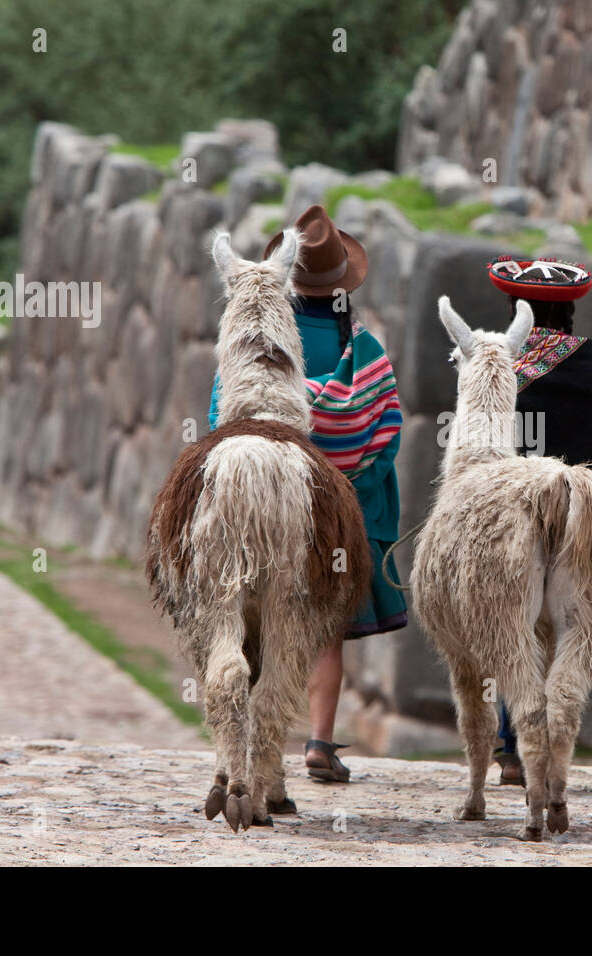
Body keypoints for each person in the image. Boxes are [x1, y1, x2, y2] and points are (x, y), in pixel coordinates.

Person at [208, 204, 405, 784]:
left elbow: (224, 416)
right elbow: (385, 432)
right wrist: (349, 496)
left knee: (244, 618)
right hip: (333, 515)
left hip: (247, 490)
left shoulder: (259, 338)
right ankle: (318, 741)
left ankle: (240, 753)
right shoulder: (363, 348)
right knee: (321, 631)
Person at [484, 255, 592, 786]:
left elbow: (488, 453)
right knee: (564, 628)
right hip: (579, 519)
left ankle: (512, 748)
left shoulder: (504, 373)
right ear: (568, 314)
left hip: (518, 514)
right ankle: (545, 741)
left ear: (515, 311)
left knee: (515, 623)